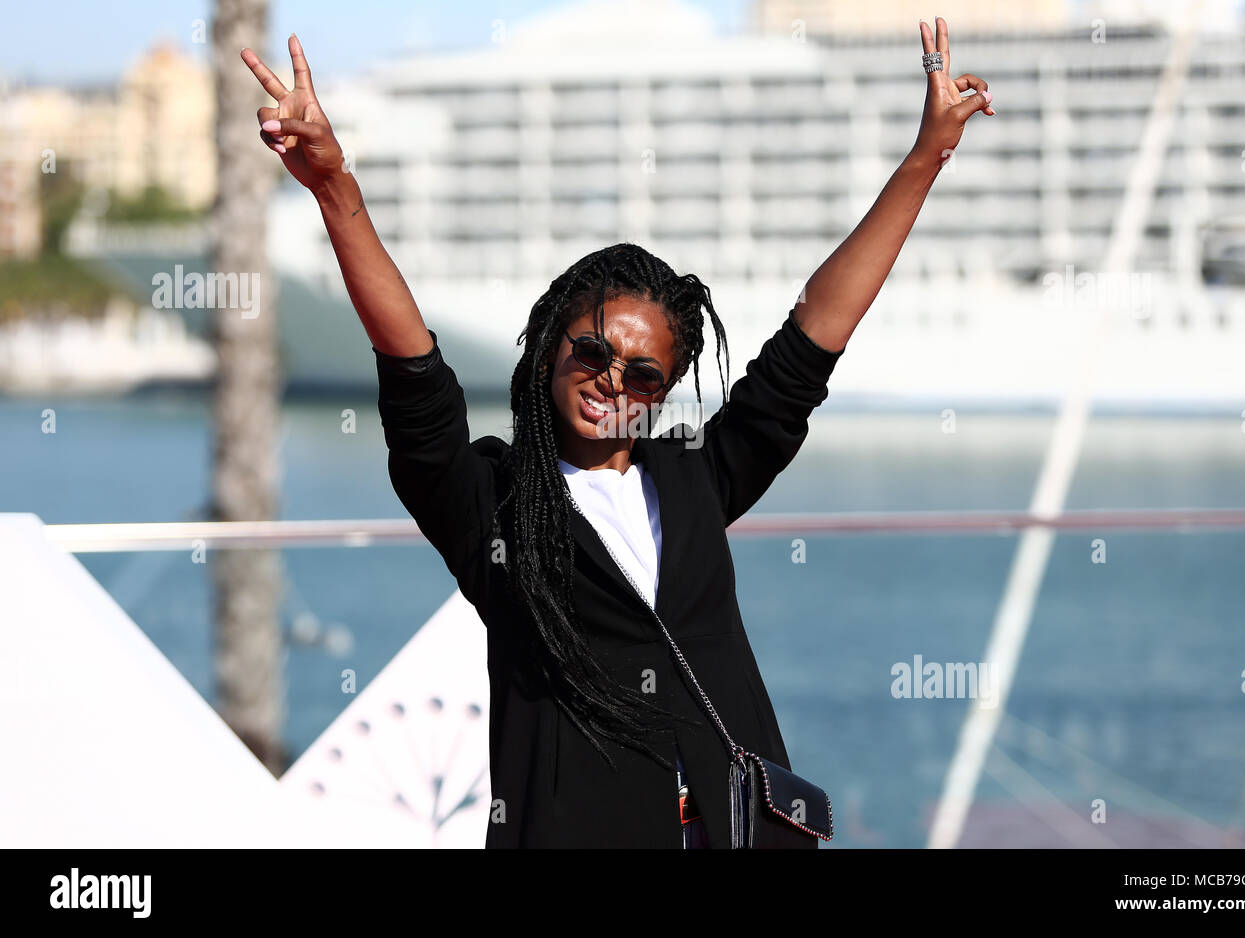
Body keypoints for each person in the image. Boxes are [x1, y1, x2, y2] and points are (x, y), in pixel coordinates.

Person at [241, 18, 993, 848]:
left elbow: (813, 338)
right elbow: (412, 368)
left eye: (645, 375)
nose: (613, 380)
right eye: (594, 351)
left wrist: (928, 156)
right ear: (550, 343)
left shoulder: (696, 478)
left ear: (664, 391)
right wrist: (333, 187)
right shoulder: (488, 499)